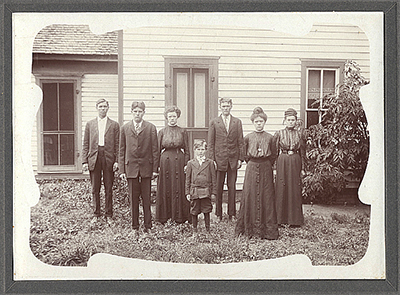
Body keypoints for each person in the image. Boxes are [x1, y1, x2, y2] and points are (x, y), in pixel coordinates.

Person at [235, 107, 278, 240]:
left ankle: (267, 231)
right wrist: (253, 161)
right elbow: (245, 155)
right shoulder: (247, 138)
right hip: (252, 167)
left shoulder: (270, 138)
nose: (259, 124)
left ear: (264, 122)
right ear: (253, 123)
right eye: (256, 122)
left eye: (261, 121)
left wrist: (266, 163)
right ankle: (249, 228)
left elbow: (274, 155)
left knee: (267, 196)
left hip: (266, 167)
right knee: (250, 195)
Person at [119, 101, 159, 232]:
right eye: (135, 111)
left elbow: (155, 150)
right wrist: (122, 170)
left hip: (146, 168)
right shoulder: (125, 128)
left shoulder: (151, 128)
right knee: (133, 199)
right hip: (131, 168)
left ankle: (148, 226)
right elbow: (121, 150)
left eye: (140, 111)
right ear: (131, 112)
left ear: (144, 113)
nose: (137, 114)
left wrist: (154, 169)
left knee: (146, 199)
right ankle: (134, 227)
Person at [82, 99, 119, 225]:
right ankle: (96, 214)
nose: (103, 108)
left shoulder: (114, 125)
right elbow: (85, 143)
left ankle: (109, 215)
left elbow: (118, 145)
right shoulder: (90, 124)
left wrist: (117, 161)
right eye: (100, 106)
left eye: (105, 106)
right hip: (94, 157)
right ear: (96, 108)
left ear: (108, 108)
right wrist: (84, 161)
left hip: (108, 158)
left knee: (108, 188)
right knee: (95, 188)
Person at [207, 97, 244, 222]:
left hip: (233, 160)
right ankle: (218, 214)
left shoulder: (237, 122)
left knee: (232, 187)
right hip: (219, 160)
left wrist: (240, 159)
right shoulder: (214, 122)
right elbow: (211, 143)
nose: (225, 108)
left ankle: (232, 214)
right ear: (220, 107)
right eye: (223, 106)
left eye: (227, 106)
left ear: (231, 106)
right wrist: (212, 160)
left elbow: (241, 141)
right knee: (218, 187)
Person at [156, 106, 190, 224]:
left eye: (174, 116)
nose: (172, 119)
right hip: (165, 161)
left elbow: (187, 149)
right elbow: (156, 151)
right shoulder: (162, 132)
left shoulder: (182, 131)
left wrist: (186, 164)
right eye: (170, 116)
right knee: (166, 187)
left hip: (179, 161)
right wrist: (157, 167)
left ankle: (180, 217)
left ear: (177, 117)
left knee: (178, 186)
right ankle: (165, 217)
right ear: (166, 118)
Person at [274, 108, 305, 226]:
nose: (291, 122)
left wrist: (303, 168)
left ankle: (295, 220)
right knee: (281, 188)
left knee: (294, 188)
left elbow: (303, 152)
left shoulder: (300, 134)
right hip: (283, 161)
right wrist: (275, 168)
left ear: (296, 121)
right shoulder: (279, 133)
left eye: (293, 120)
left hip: (295, 161)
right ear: (285, 121)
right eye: (289, 120)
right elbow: (274, 153)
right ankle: (280, 219)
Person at [185, 139, 217, 233]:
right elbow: (187, 179)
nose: (200, 152)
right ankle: (195, 230)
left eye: (202, 149)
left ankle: (208, 230)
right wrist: (187, 192)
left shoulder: (210, 163)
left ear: (206, 150)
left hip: (206, 190)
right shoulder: (190, 163)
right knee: (194, 211)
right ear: (194, 150)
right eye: (198, 149)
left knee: (206, 210)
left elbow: (214, 179)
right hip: (195, 190)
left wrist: (213, 192)